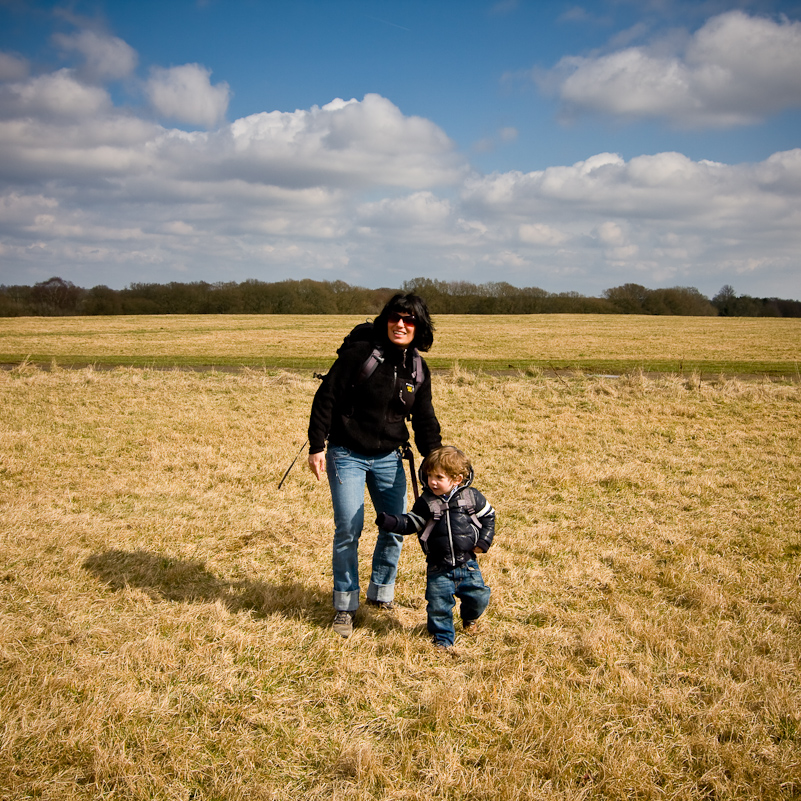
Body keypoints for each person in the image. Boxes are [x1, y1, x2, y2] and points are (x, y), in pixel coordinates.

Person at [308, 293, 442, 638]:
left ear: (418, 327)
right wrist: (317, 446)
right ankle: (344, 606)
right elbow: (326, 397)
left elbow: (424, 418)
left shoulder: (417, 368)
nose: (401, 325)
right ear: (386, 320)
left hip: (389, 457)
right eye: (396, 318)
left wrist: (436, 459)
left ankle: (381, 593)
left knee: (394, 527)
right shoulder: (360, 355)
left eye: (409, 320)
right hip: (346, 453)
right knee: (349, 529)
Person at [375, 445, 495, 650]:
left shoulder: (471, 497)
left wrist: (484, 542)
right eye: (429, 476)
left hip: (468, 564)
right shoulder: (426, 502)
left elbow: (489, 517)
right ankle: (443, 640)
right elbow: (411, 523)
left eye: (439, 477)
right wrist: (391, 522)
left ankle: (470, 617)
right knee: (438, 606)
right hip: (438, 567)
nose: (432, 481)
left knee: (479, 596)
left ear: (457, 479)